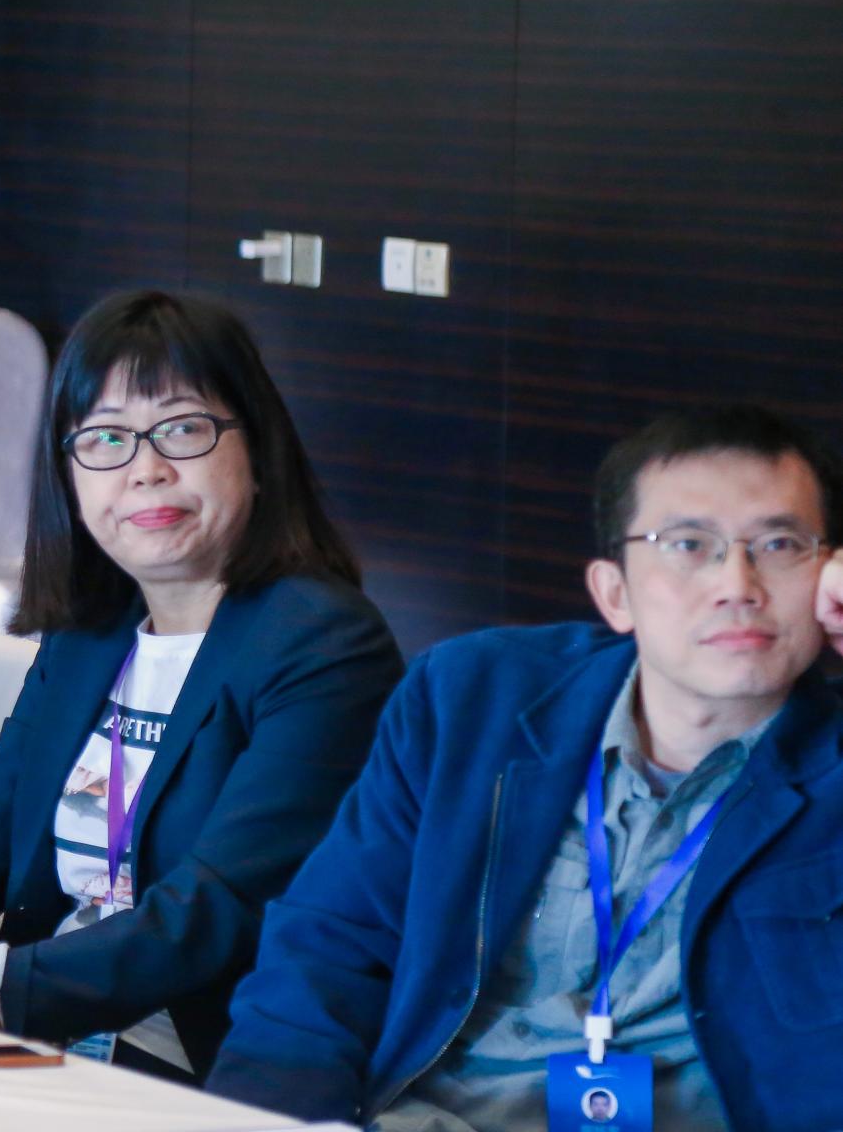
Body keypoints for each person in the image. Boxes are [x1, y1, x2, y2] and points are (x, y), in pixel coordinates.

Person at [0, 289, 402, 1080]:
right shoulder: (86, 637)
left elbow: (215, 912)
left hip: (201, 1058)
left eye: (182, 428)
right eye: (105, 438)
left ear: (259, 452)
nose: (146, 470)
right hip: (52, 1039)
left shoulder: (324, 643)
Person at [207, 405, 843, 1132]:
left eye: (781, 544)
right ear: (615, 593)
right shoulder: (472, 699)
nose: (737, 583)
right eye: (689, 544)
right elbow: (327, 948)